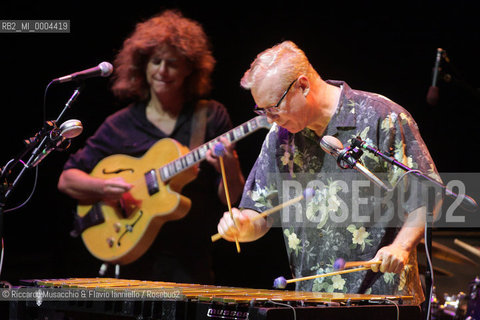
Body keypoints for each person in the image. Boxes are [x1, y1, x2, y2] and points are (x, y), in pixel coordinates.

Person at [216, 40, 441, 304]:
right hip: (313, 302)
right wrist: (241, 225)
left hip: (382, 300)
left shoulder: (381, 116)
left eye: (273, 107)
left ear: (303, 85)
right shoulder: (280, 138)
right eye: (262, 110)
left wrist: (401, 246)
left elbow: (429, 195)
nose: (269, 118)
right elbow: (260, 212)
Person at [58, 10, 245, 284]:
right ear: (142, 66)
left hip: (190, 262)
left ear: (189, 68)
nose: (162, 71)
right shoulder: (119, 124)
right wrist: (104, 188)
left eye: (172, 63)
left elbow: (231, 195)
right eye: (155, 62)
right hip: (129, 258)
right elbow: (67, 179)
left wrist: (229, 164)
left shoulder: (210, 116)